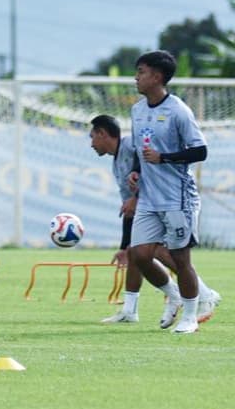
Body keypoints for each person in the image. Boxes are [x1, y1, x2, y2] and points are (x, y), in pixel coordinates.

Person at [89, 114, 220, 325]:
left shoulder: (132, 144)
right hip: (149, 207)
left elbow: (152, 171)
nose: (91, 143)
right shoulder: (116, 164)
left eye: (93, 136)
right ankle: (131, 310)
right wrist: (123, 245)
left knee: (162, 251)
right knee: (135, 251)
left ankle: (204, 295)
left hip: (171, 200)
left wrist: (137, 196)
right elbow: (129, 209)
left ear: (103, 134)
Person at [127, 51, 209, 333]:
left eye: (141, 72)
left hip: (177, 198)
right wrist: (136, 170)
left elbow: (200, 150)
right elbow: (141, 148)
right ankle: (173, 296)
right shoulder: (137, 110)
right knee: (138, 254)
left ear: (157, 77)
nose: (136, 77)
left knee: (180, 259)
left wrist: (165, 158)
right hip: (149, 198)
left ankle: (190, 317)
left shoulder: (178, 111)